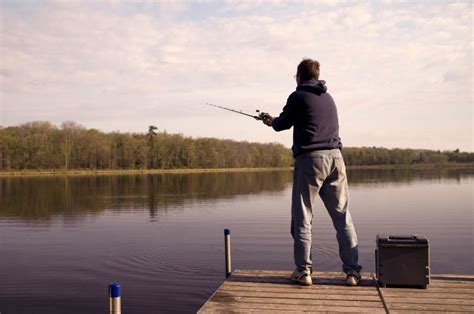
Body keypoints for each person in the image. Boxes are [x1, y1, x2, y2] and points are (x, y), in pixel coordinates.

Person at [262, 58, 362, 286]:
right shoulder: (328, 97)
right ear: (317, 76)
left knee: (302, 217)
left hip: (311, 160)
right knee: (342, 217)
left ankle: (304, 271)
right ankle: (353, 273)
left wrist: (270, 121)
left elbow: (282, 124)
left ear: (299, 76)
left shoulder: (297, 96)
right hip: (336, 158)